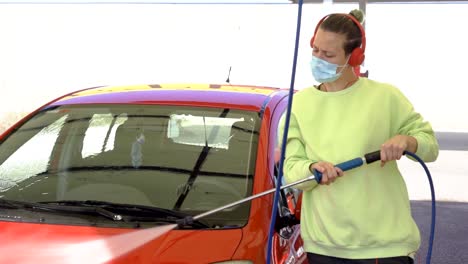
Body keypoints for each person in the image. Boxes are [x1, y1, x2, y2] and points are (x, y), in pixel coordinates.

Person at [282, 9, 439, 264]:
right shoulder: (299, 105)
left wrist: (407, 142)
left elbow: (430, 146)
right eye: (315, 50)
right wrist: (310, 169)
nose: (318, 59)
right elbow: (291, 168)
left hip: (384, 248)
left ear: (354, 57)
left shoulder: (386, 97)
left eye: (329, 54)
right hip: (323, 247)